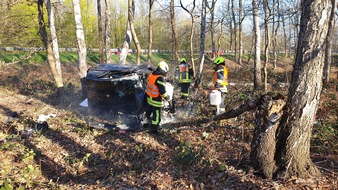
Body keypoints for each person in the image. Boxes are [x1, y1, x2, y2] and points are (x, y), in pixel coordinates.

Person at [145, 61, 170, 134]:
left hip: (149, 98)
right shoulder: (160, 78)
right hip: (156, 101)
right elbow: (162, 92)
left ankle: (147, 122)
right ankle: (154, 130)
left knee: (149, 111)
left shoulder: (152, 74)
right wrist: (167, 98)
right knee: (157, 117)